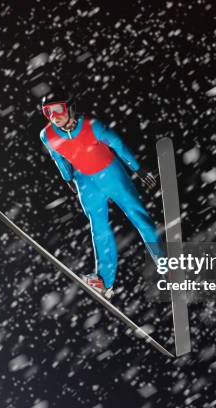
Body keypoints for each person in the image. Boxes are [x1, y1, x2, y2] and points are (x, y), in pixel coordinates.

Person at [38, 91, 164, 300]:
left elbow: (118, 145)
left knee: (137, 216)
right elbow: (58, 158)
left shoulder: (91, 126)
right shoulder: (48, 135)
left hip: (111, 173)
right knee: (99, 228)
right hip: (85, 181)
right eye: (47, 112)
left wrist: (138, 168)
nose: (54, 116)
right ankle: (104, 281)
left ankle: (165, 263)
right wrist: (68, 178)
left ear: (70, 108)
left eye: (57, 109)